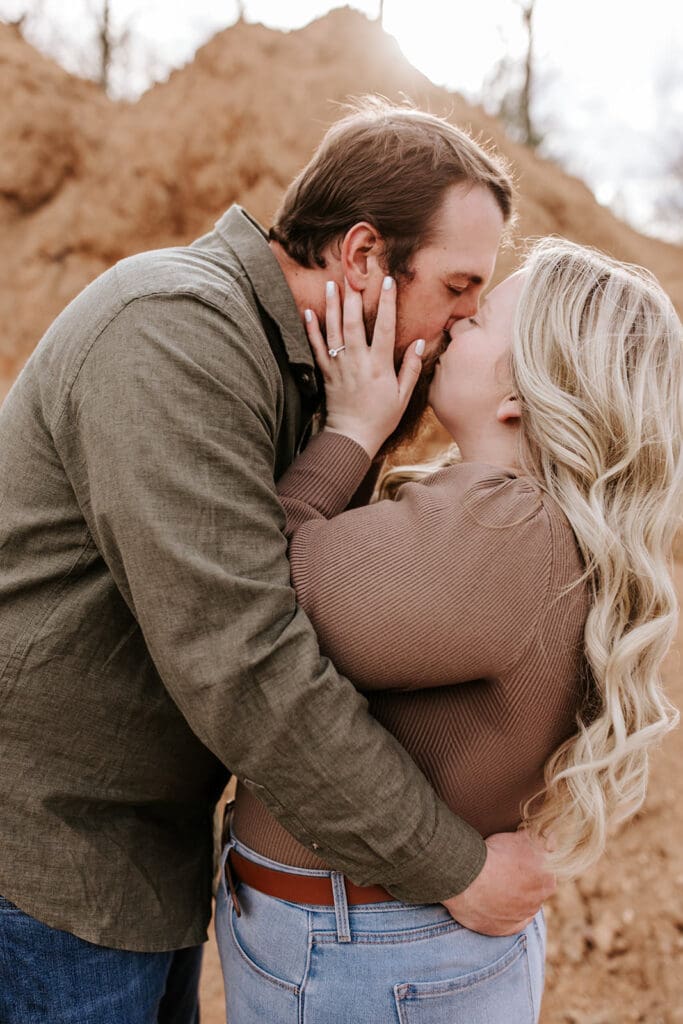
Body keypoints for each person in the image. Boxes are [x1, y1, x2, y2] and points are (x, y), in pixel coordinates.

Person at [0, 100, 555, 1024]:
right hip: (47, 862)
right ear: (366, 257)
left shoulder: (327, 369)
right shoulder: (171, 334)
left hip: (143, 855)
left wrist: (359, 428)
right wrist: (451, 867)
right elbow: (245, 659)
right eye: (459, 287)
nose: (465, 321)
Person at [215, 237, 683, 1022]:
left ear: (518, 394)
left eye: (480, 318)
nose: (456, 320)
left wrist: (351, 430)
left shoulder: (501, 528)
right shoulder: (531, 525)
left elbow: (248, 592)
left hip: (365, 959)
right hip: (395, 951)